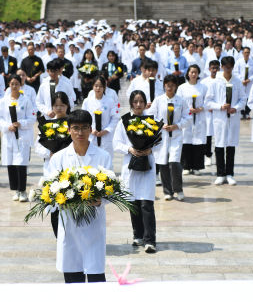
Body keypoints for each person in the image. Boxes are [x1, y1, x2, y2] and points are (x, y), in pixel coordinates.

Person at [47, 109, 112, 284]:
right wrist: (61, 198)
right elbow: (49, 192)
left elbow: (110, 190)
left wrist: (100, 200)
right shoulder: (58, 159)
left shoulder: (103, 157)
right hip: (70, 225)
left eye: (84, 128)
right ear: (68, 130)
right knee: (72, 278)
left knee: (96, 276)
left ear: (91, 129)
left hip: (94, 225)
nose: (80, 132)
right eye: (75, 128)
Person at [113, 90, 157, 253]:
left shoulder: (151, 121)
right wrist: (130, 148)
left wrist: (149, 150)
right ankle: (137, 235)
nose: (138, 105)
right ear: (131, 103)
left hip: (147, 166)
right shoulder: (124, 121)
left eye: (141, 102)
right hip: (131, 166)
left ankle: (150, 240)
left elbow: (160, 140)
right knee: (134, 202)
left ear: (146, 103)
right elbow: (116, 143)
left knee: (146, 203)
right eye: (135, 102)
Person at [205, 56, 246, 186]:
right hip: (220, 117)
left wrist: (236, 108)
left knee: (231, 145)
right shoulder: (215, 82)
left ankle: (230, 174)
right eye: (226, 67)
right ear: (222, 67)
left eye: (230, 67)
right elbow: (208, 101)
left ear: (233, 67)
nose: (228, 69)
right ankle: (220, 174)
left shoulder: (237, 81)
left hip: (233, 118)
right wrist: (220, 107)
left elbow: (243, 99)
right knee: (219, 145)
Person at [148, 74, 191, 201]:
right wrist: (161, 125)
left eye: (172, 85)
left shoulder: (181, 101)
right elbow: (150, 116)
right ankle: (168, 191)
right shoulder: (159, 100)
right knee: (163, 163)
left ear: (176, 86)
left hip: (176, 136)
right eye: (167, 85)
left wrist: (177, 125)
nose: (169, 88)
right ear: (164, 86)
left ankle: (178, 189)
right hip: (163, 136)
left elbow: (187, 118)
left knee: (174, 162)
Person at [35, 91, 71, 237]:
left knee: (69, 200)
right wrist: (50, 153)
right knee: (54, 203)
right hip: (51, 167)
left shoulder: (72, 123)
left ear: (67, 106)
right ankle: (58, 237)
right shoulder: (47, 124)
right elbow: (38, 146)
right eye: (56, 106)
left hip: (69, 167)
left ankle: (70, 237)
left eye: (62, 105)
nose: (59, 108)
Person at [0, 75, 36, 201]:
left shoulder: (26, 100)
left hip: (22, 136)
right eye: (12, 84)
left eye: (17, 84)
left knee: (21, 163)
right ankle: (15, 190)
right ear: (9, 85)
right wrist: (8, 126)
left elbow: (32, 118)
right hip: (9, 135)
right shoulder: (3, 101)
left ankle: (22, 190)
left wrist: (21, 123)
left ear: (20, 85)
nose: (14, 86)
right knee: (11, 163)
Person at [177, 64, 208, 175]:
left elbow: (208, 101)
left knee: (198, 142)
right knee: (186, 140)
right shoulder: (182, 87)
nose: (193, 74)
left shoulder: (203, 87)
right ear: (188, 74)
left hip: (199, 117)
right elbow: (178, 102)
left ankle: (197, 166)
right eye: (191, 72)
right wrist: (187, 109)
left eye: (195, 72)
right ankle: (186, 166)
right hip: (187, 116)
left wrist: (201, 108)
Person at [81, 75, 120, 158]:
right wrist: (91, 129)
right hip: (91, 135)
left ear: (105, 87)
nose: (98, 88)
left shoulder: (110, 101)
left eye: (101, 86)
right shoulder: (87, 101)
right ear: (92, 86)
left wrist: (106, 130)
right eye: (96, 86)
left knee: (106, 160)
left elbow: (115, 118)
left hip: (106, 136)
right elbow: (83, 118)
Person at [200, 60, 221, 166]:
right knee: (208, 135)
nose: (215, 70)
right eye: (213, 68)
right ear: (209, 69)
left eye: (216, 68)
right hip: (207, 112)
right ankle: (208, 155)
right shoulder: (204, 82)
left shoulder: (222, 81)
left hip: (219, 111)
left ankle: (219, 156)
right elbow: (202, 98)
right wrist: (207, 106)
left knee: (219, 135)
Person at [234, 47, 253, 119]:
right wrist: (242, 80)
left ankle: (247, 112)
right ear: (242, 53)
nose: (246, 54)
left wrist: (250, 79)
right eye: (245, 52)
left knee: (249, 97)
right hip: (241, 82)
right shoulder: (239, 61)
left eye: (248, 52)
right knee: (241, 97)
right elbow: (235, 72)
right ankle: (241, 112)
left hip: (249, 83)